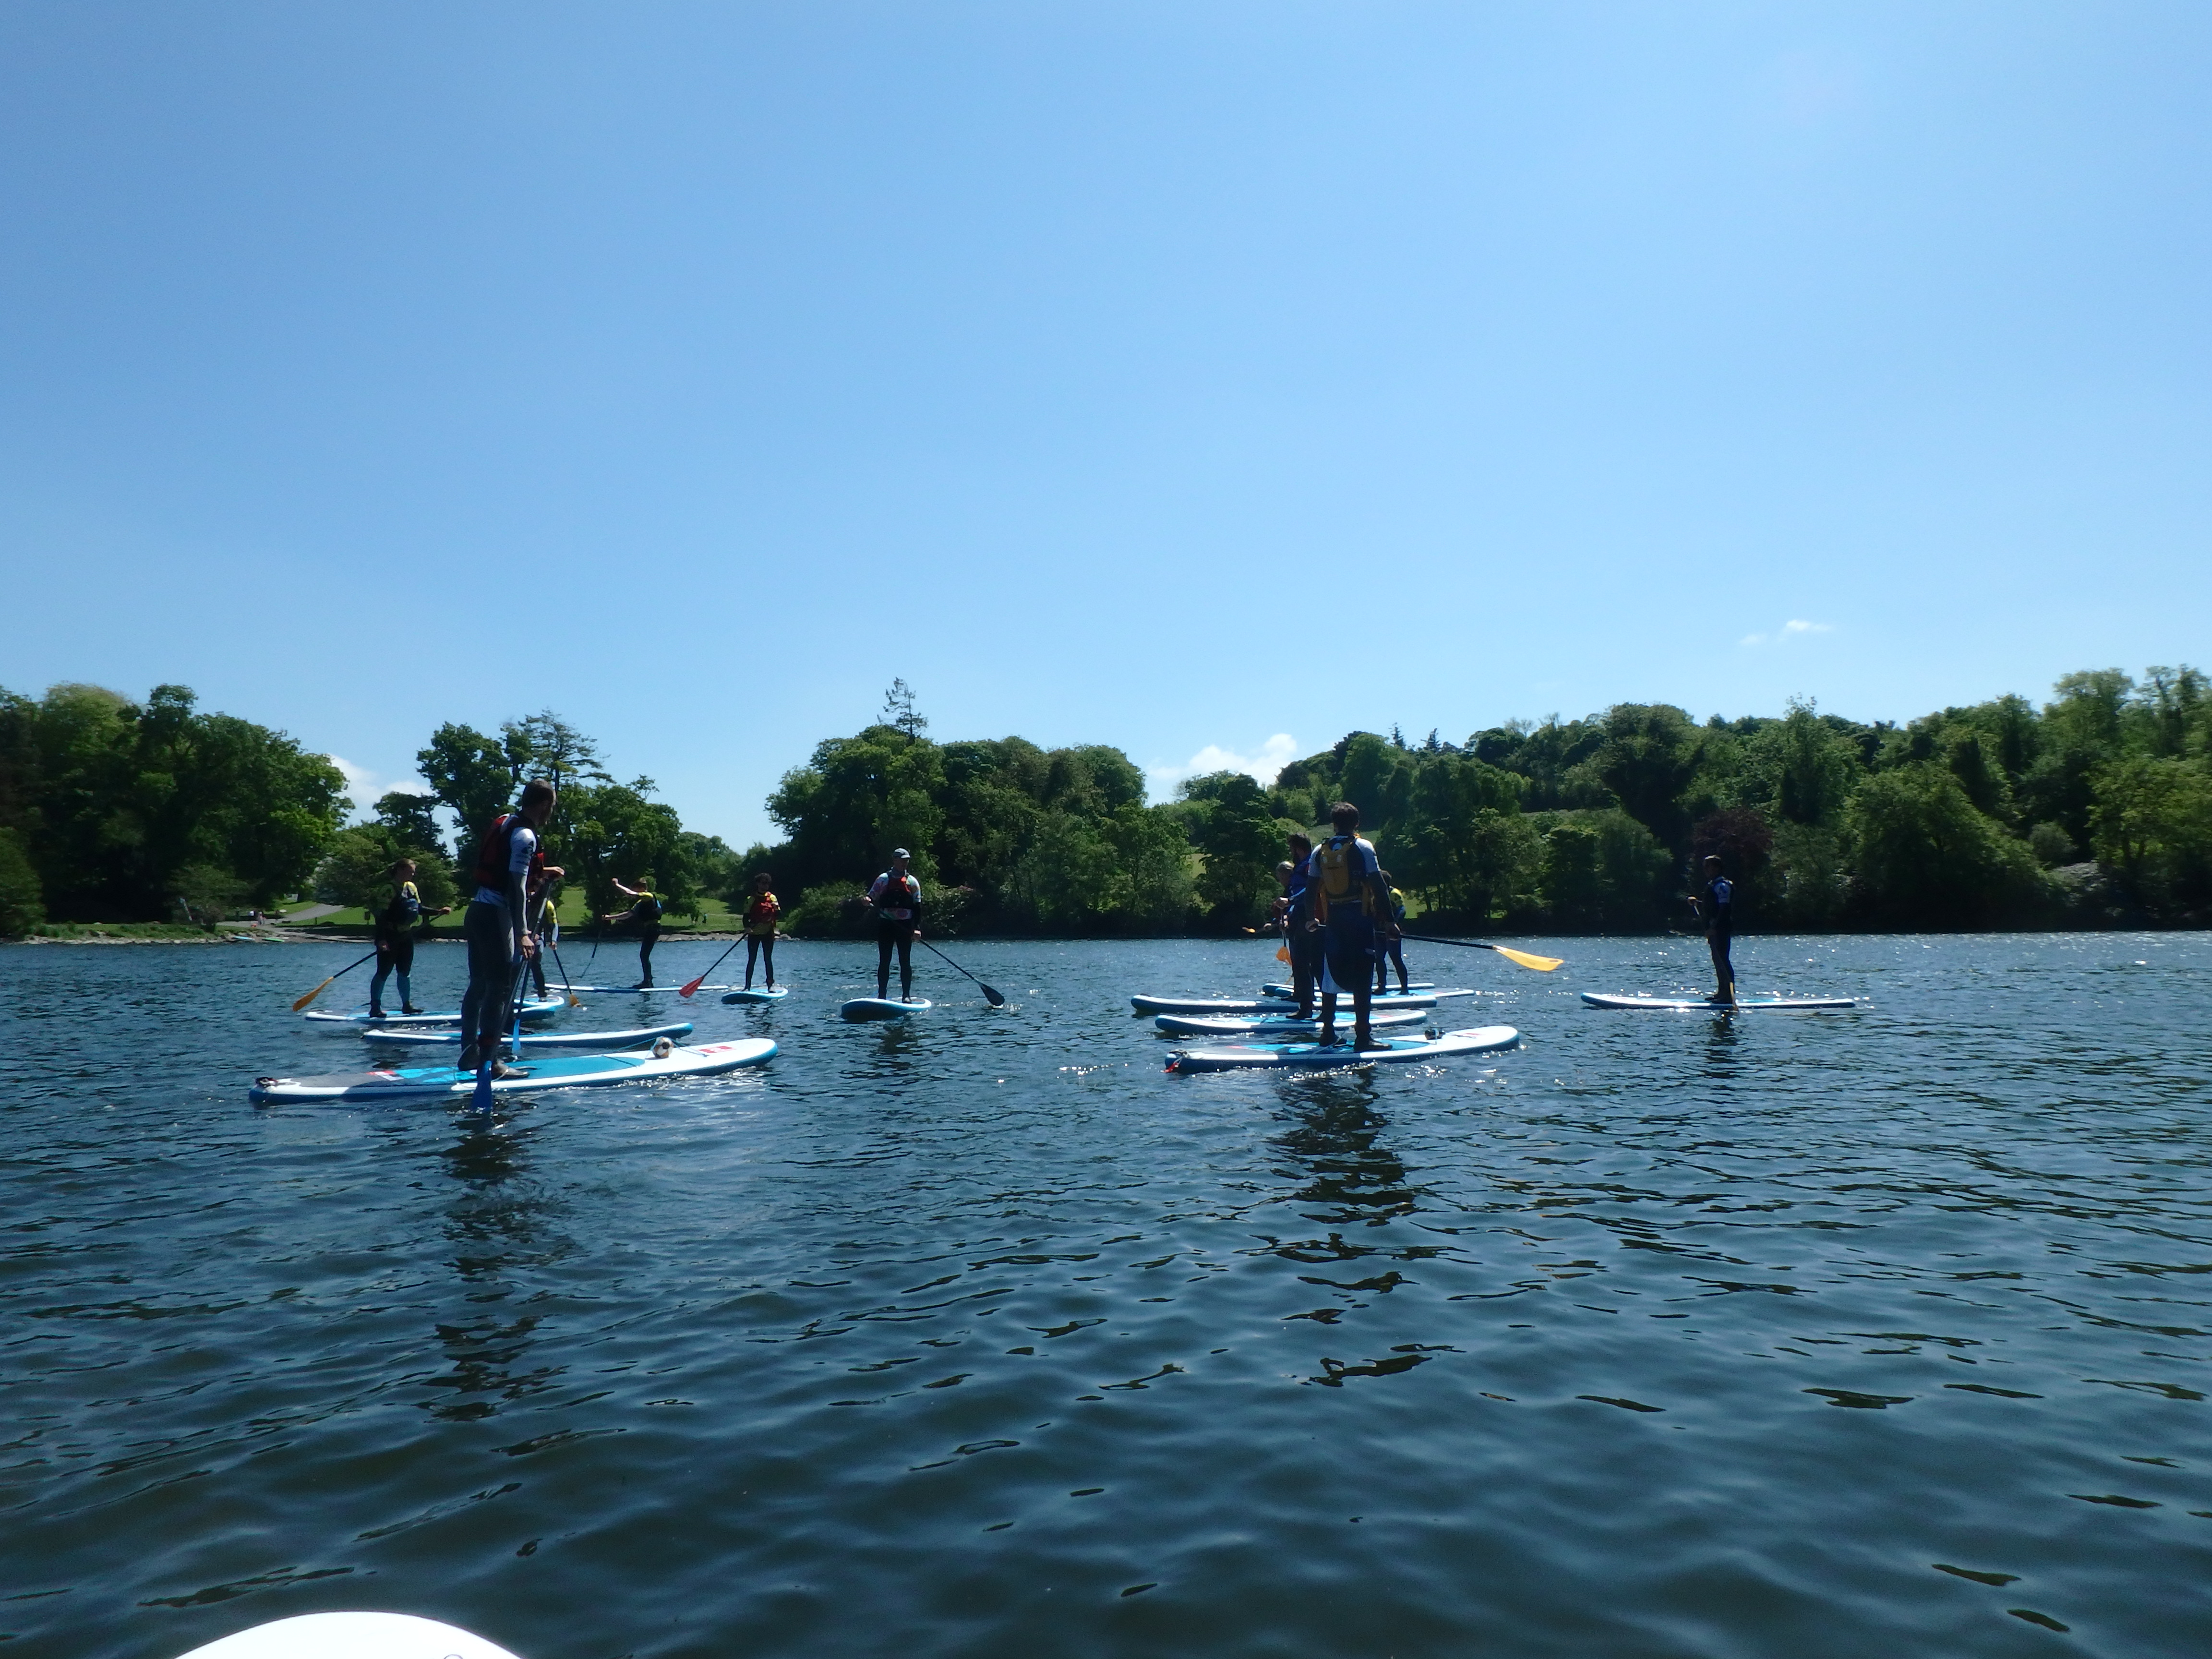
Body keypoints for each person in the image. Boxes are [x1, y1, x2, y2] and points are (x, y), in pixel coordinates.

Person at [460, 779, 555, 1076]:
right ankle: (491, 1062)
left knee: (478, 985)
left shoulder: (506, 822)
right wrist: (524, 933)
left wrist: (544, 872)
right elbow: (516, 887)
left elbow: (506, 869)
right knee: (499, 990)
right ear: (544, 804)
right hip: (496, 918)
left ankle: (470, 1054)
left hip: (477, 912)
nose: (552, 812)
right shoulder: (526, 836)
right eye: (552, 806)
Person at [1305, 802, 1398, 1049]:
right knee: (1364, 976)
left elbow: (1311, 889)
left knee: (1330, 974)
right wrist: (1390, 921)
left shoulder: (1319, 851)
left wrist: (1310, 918)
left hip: (1333, 921)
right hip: (1360, 920)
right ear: (1356, 823)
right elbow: (1378, 886)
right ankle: (1363, 1036)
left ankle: (1327, 1032)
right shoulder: (1363, 847)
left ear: (1334, 824)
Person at [369, 858, 449, 1018]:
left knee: (405, 972)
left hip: (406, 936)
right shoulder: (388, 889)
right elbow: (381, 916)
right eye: (410, 871)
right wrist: (381, 940)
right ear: (400, 870)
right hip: (389, 936)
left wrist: (438, 912)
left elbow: (418, 908)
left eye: (413, 872)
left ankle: (407, 1005)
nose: (413, 874)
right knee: (384, 972)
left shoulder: (411, 887)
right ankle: (375, 1007)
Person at [866, 849, 922, 1002]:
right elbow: (871, 896)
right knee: (885, 960)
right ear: (895, 860)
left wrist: (916, 928)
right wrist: (867, 900)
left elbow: (917, 907)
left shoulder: (912, 882)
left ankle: (906, 996)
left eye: (907, 860)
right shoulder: (883, 879)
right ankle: (882, 995)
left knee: (905, 961)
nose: (905, 863)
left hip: (905, 925)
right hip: (886, 924)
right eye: (902, 860)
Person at [1281, 832, 1321, 1019]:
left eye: (1292, 848)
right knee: (1301, 965)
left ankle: (1319, 1009)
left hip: (1310, 920)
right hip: (1299, 919)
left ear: (1298, 849)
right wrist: (1288, 916)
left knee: (1314, 966)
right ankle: (1306, 1006)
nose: (1291, 852)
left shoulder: (1310, 865)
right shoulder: (1302, 866)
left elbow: (1311, 890)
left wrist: (1290, 901)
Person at [1690, 853, 1736, 1005]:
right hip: (1714, 928)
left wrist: (1714, 928)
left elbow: (1724, 909)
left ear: (1716, 868)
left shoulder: (1723, 886)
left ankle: (1729, 995)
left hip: (1721, 928)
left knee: (1723, 960)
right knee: (1717, 960)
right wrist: (1698, 903)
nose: (1705, 870)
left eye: (1708, 867)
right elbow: (1713, 906)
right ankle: (1721, 992)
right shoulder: (1713, 885)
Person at [602, 877, 664, 988]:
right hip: (650, 929)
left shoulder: (649, 896)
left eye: (636, 889)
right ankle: (648, 981)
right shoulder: (640, 903)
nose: (634, 891)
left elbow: (629, 893)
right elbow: (628, 915)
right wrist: (609, 918)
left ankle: (648, 982)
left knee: (644, 955)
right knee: (644, 955)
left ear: (642, 888)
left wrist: (617, 885)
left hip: (654, 928)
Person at [1372, 869, 1411, 994]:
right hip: (1379, 931)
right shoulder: (1373, 894)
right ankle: (1382, 987)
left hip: (1392, 933)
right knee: (1378, 958)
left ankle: (1404, 988)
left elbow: (1402, 910)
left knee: (1395, 958)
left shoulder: (1394, 894)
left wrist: (1394, 924)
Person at [741, 871, 781, 990]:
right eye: (763, 883)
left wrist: (774, 912)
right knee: (752, 960)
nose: (765, 886)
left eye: (767, 884)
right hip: (754, 933)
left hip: (768, 933)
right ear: (758, 884)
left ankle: (770, 985)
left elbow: (779, 914)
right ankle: (747, 986)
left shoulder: (772, 898)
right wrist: (747, 928)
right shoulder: (751, 899)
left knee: (768, 959)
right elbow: (746, 916)